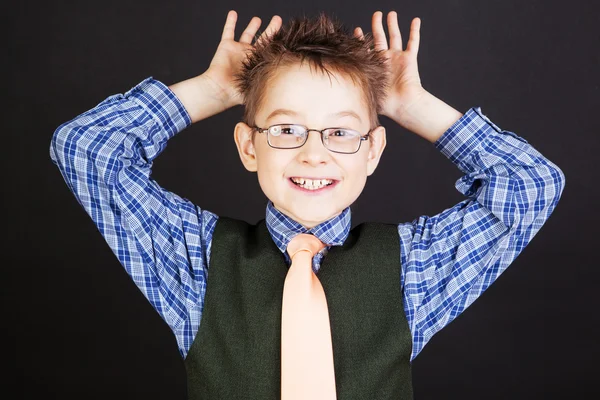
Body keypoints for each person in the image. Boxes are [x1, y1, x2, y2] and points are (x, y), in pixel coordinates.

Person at [49, 9, 565, 400]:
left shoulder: (412, 268)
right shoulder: (197, 260)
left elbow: (530, 185)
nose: (314, 153)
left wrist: (412, 105)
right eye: (286, 129)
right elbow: (88, 152)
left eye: (341, 132)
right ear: (249, 146)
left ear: (373, 150)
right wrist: (211, 90)